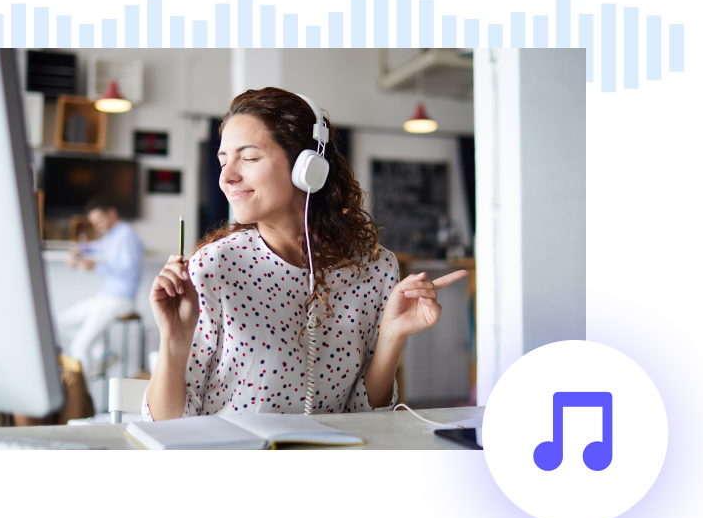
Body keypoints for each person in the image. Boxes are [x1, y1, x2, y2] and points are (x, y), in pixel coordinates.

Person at [143, 87, 467, 421]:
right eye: (223, 161)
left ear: (308, 167)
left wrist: (392, 336)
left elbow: (366, 414)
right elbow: (168, 425)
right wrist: (174, 340)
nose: (227, 177)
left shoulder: (376, 268)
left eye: (250, 158)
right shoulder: (214, 266)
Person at [57, 196, 144, 377]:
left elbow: (130, 271)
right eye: (94, 223)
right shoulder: (113, 236)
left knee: (79, 346)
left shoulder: (126, 235)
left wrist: (96, 266)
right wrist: (78, 251)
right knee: (59, 324)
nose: (97, 226)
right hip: (105, 297)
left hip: (120, 300)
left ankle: (82, 398)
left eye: (100, 220)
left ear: (112, 213)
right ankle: (102, 352)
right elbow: (96, 247)